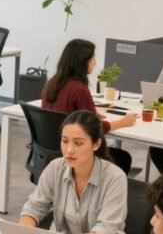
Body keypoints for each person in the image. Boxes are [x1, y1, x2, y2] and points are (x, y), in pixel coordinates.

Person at [20, 110, 130, 234]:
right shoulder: (55, 168)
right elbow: (34, 207)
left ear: (96, 144)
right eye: (65, 141)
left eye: (78, 143)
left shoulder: (115, 178)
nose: (69, 150)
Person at [41, 39, 135, 173]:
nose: (95, 63)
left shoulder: (53, 83)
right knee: (123, 158)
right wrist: (121, 122)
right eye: (92, 59)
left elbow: (65, 111)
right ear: (82, 63)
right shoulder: (79, 89)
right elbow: (95, 129)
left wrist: (91, 111)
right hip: (75, 154)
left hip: (53, 151)